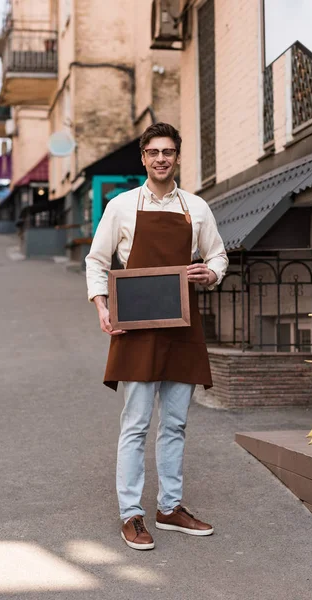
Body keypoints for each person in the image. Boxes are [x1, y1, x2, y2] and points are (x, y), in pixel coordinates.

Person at [85, 122, 228, 551]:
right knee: (136, 423)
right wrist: (102, 306)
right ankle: (131, 514)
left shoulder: (197, 207)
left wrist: (212, 272)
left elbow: (218, 254)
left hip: (182, 325)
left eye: (168, 151)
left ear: (177, 157)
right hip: (137, 327)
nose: (161, 158)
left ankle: (170, 507)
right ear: (143, 158)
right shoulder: (122, 206)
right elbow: (97, 259)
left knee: (177, 423)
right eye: (154, 152)